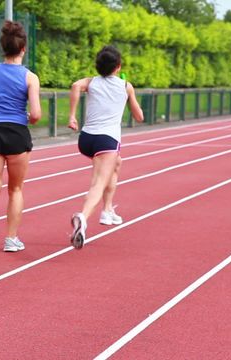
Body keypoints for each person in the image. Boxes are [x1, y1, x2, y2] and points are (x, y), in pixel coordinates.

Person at [0, 20, 42, 252]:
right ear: (23, 49)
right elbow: (36, 114)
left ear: (3, 48)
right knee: (16, 190)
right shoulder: (30, 77)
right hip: (17, 133)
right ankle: (11, 239)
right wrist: (24, 116)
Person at [68, 45, 144, 249]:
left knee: (117, 164)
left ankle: (108, 210)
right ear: (118, 67)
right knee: (98, 184)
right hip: (106, 141)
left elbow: (75, 85)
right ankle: (82, 218)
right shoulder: (125, 86)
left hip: (86, 139)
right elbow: (139, 117)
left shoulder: (91, 82)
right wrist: (129, 98)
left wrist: (72, 115)